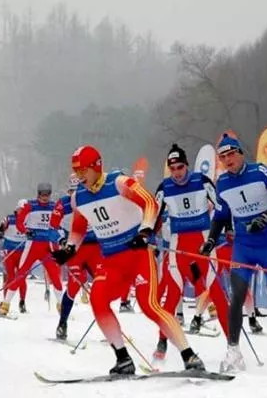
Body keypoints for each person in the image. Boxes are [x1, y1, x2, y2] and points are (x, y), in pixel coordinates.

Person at [52, 145, 205, 374]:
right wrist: (69, 249)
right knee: (98, 298)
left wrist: (144, 231)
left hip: (138, 255)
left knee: (149, 305)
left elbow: (150, 203)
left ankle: (189, 355)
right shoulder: (79, 198)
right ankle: (123, 358)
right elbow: (79, 229)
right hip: (111, 260)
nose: (80, 175)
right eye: (76, 170)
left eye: (83, 170)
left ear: (96, 166)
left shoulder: (119, 182)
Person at [205, 133, 267, 374]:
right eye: (222, 156)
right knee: (236, 297)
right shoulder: (223, 183)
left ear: (240, 153)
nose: (227, 160)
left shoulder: (260, 171)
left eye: (231, 154)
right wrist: (211, 240)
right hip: (243, 247)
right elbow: (220, 216)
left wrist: (266, 216)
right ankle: (233, 352)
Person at [152, 144, 230, 360]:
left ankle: (233, 348)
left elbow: (222, 208)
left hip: (204, 245)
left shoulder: (202, 182)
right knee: (171, 298)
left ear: (186, 165)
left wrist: (230, 228)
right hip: (178, 248)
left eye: (180, 167)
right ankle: (162, 343)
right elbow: (154, 217)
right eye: (173, 168)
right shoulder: (164, 187)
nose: (177, 173)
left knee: (218, 294)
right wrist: (146, 237)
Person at [0, 183, 64, 316]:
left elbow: (61, 224)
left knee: (55, 276)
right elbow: (19, 222)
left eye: (47, 195)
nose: (45, 198)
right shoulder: (30, 205)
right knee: (21, 274)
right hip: (33, 245)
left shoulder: (55, 206)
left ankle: (61, 306)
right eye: (42, 195)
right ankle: (5, 304)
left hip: (49, 246)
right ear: (38, 194)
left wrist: (59, 236)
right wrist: (26, 231)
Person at [50, 174, 102, 340]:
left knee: (103, 286)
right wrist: (62, 239)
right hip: (75, 250)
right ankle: (62, 324)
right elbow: (52, 225)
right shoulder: (64, 203)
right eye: (73, 191)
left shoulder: (95, 198)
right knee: (74, 286)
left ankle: (110, 328)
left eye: (80, 189)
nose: (77, 195)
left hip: (95, 248)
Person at [0, 200, 28, 313]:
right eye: (21, 209)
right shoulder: (9, 218)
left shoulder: (29, 220)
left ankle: (22, 302)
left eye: (25, 210)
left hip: (23, 252)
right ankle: (5, 303)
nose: (23, 212)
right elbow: (0, 231)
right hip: (10, 251)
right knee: (10, 276)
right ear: (17, 209)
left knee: (22, 277)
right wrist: (1, 232)